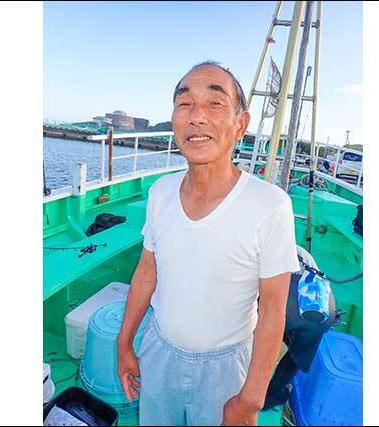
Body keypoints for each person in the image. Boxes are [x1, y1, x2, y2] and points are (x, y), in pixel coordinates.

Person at [117, 61, 300, 426]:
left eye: (215, 103)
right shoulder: (160, 192)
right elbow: (146, 273)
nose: (196, 116)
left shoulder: (270, 205)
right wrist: (124, 344)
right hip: (158, 348)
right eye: (184, 104)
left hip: (226, 367)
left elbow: (272, 310)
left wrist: (250, 399)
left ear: (240, 124)